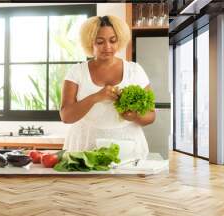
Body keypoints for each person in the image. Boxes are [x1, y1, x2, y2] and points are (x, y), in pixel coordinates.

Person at [60, 15, 156, 158]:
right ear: (90, 42)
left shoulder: (135, 70)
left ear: (120, 40)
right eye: (100, 42)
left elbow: (151, 115)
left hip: (127, 146)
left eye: (113, 40)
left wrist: (135, 116)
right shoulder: (77, 72)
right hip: (85, 145)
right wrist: (96, 97)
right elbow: (66, 116)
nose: (107, 47)